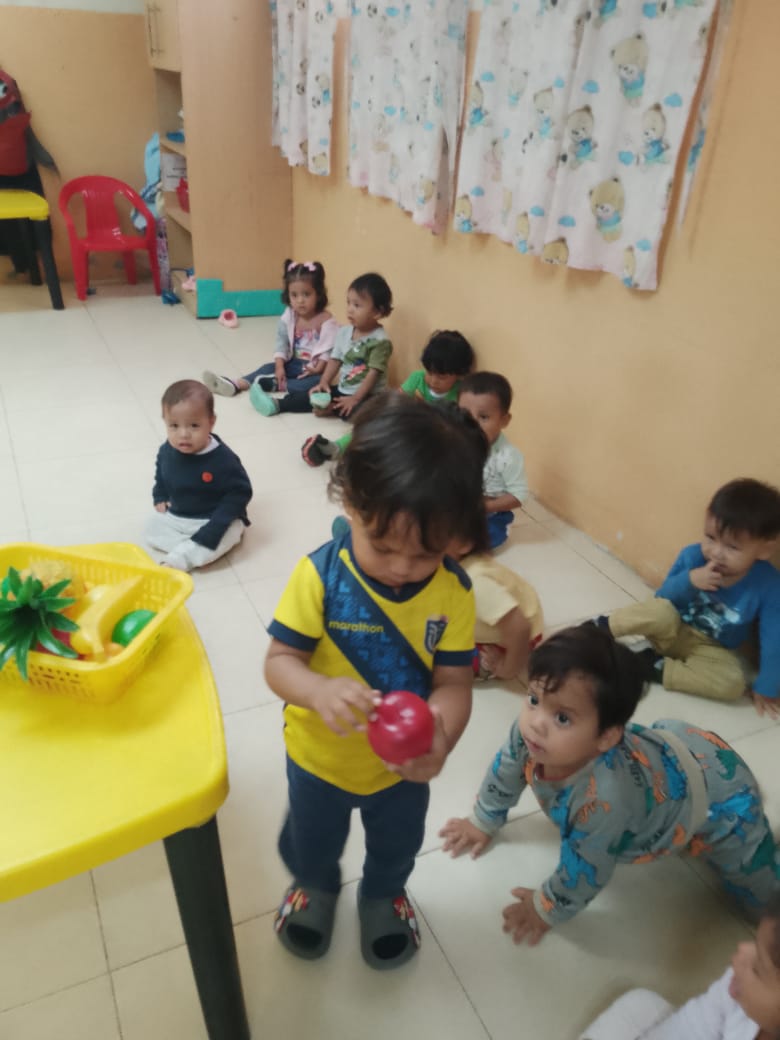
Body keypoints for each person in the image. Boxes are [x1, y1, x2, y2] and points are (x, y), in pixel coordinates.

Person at [264, 393, 487, 969]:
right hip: (319, 757)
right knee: (313, 840)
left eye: (426, 554)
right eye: (382, 547)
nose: (402, 568)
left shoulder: (454, 593)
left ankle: (384, 894)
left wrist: (441, 735)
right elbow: (279, 661)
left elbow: (455, 682)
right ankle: (314, 886)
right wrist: (317, 690)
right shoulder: (320, 575)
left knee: (397, 844)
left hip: (401, 771)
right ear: (350, 504)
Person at [439, 624, 780, 947]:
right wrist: (484, 819)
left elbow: (586, 870)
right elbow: (506, 769)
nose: (536, 723)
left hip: (723, 802)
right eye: (533, 699)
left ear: (606, 736)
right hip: (677, 749)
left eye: (562, 718)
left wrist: (546, 907)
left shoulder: (602, 802)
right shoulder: (530, 733)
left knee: (763, 902)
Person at [596, 478, 780, 717]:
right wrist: (690, 581)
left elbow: (774, 638)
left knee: (734, 682)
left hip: (709, 647)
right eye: (710, 538)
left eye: (732, 547)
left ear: (764, 550)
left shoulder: (769, 585)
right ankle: (600, 628)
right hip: (672, 625)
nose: (716, 552)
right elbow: (662, 597)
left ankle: (653, 666)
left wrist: (766, 687)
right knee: (659, 611)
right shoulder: (693, 557)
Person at [578, 893, 780, 1039]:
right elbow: (694, 1024)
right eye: (754, 942)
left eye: (757, 969)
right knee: (639, 1002)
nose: (742, 953)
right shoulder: (737, 988)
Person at [301, 328, 475, 467]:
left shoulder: (461, 393)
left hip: (428, 442)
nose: (433, 380)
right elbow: (396, 401)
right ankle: (337, 447)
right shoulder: (418, 378)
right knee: (374, 424)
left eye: (442, 377)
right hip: (406, 427)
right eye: (430, 372)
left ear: (459, 373)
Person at [251, 272, 393, 418]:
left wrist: (355, 399)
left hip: (368, 396)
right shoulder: (344, 332)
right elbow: (335, 360)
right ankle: (277, 404)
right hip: (344, 390)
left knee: (357, 412)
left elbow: (373, 374)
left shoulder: (380, 342)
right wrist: (324, 382)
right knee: (312, 395)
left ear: (377, 312)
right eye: (348, 303)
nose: (350, 309)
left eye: (357, 305)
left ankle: (331, 409)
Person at [144, 380, 252, 571]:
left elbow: (240, 492)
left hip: (212, 518)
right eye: (174, 426)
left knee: (231, 532)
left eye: (194, 426)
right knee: (151, 528)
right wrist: (160, 495)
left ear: (211, 422)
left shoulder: (222, 459)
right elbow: (161, 473)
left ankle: (180, 559)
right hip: (178, 516)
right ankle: (192, 547)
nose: (183, 434)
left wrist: (218, 523)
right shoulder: (167, 450)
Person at [202, 259, 338, 404]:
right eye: (294, 295)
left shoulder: (326, 320)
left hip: (314, 369)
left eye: (306, 294)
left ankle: (277, 384)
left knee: (316, 382)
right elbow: (281, 343)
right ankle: (237, 384)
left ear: (318, 294)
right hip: (293, 363)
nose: (300, 301)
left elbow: (328, 350)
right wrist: (279, 367)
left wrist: (318, 369)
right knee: (268, 367)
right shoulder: (290, 316)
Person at [457, 371, 528, 550]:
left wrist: (485, 507)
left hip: (492, 515)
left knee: (483, 538)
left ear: (504, 420)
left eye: (483, 417)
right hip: (460, 508)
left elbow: (518, 496)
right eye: (466, 415)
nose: (473, 424)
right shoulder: (455, 442)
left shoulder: (508, 456)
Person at [459, 549, 544, 681]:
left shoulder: (476, 583)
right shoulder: (458, 562)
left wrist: (507, 669)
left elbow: (521, 628)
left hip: (512, 641)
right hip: (499, 618)